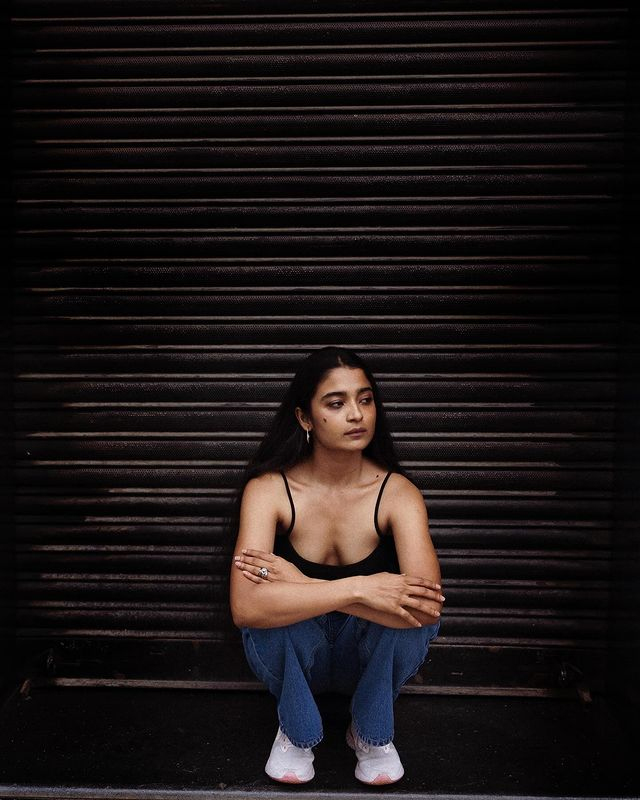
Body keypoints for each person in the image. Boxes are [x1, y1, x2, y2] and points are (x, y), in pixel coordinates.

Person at [228, 346, 445, 785]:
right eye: (336, 403)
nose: (356, 414)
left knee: (410, 620)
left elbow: (426, 610)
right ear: (305, 418)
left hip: (363, 659)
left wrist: (301, 584)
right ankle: (295, 731)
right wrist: (360, 588)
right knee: (270, 617)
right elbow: (245, 608)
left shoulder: (397, 493)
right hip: (298, 656)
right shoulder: (269, 490)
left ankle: (369, 732)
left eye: (365, 400)